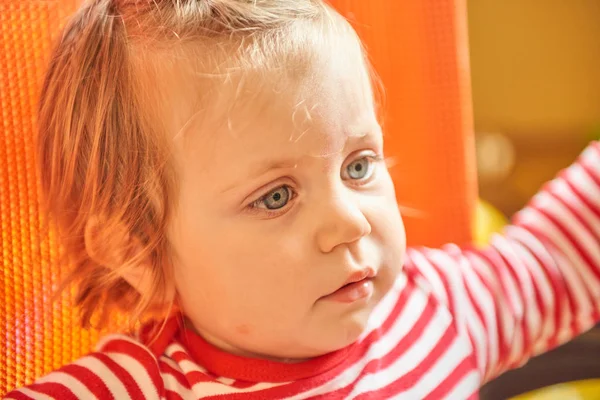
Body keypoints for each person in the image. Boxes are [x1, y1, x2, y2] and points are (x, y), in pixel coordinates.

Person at [4, 0, 600, 398]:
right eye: (277, 197)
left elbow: (557, 257)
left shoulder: (437, 309)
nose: (347, 221)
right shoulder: (137, 387)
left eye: (358, 164)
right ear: (136, 252)